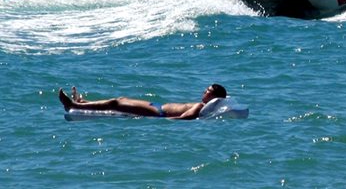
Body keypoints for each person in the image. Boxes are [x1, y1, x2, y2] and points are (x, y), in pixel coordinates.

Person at [58, 84, 227, 120]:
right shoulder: (201, 105)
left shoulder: (200, 106)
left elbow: (185, 118)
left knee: (116, 103)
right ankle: (84, 102)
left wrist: (162, 120)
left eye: (208, 91)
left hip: (158, 112)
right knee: (120, 100)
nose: (204, 92)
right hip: (157, 107)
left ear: (214, 97)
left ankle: (74, 105)